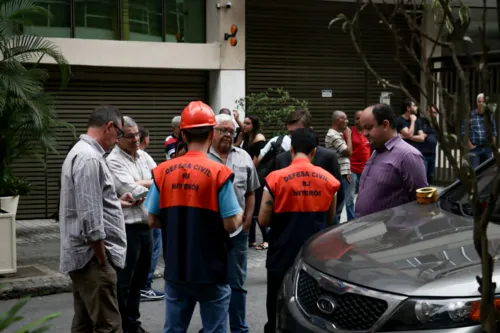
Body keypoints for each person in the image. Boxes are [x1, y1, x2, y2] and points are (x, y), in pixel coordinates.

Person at [144, 101, 243, 333]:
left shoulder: (162, 172)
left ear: (184, 134)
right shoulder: (220, 173)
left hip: (177, 268)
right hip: (212, 270)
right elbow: (230, 223)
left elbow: (152, 220)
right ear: (211, 133)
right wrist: (239, 216)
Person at [59, 105, 135, 333]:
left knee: (84, 324)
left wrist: (117, 201)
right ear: (109, 127)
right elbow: (90, 216)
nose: (117, 140)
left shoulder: (81, 153)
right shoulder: (89, 158)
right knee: (109, 325)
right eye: (119, 134)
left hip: (85, 256)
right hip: (93, 257)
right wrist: (102, 257)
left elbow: (89, 201)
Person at [258, 128, 340, 333]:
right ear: (314, 151)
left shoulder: (275, 178)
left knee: (276, 302)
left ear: (292, 149)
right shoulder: (329, 181)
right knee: (310, 307)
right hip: (313, 258)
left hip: (281, 253)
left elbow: (263, 218)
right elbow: (330, 218)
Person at [208, 114, 260, 333]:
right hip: (209, 234)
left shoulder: (244, 157)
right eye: (223, 130)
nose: (229, 135)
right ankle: (215, 327)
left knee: (237, 284)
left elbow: (251, 192)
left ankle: (239, 328)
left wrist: (248, 220)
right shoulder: (202, 158)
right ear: (212, 132)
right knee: (211, 283)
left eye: (232, 131)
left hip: (238, 233)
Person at [107, 116, 158, 333]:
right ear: (118, 138)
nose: (136, 139)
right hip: (127, 228)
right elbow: (135, 190)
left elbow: (163, 179)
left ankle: (133, 322)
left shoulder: (144, 156)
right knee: (125, 281)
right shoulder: (113, 161)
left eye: (138, 134)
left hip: (146, 225)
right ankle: (124, 325)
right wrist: (149, 184)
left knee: (139, 280)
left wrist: (147, 183)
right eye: (130, 136)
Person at [355, 104, 428, 218]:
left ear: (385, 125)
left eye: (368, 127)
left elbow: (424, 204)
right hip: (367, 231)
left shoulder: (408, 155)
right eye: (363, 128)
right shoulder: (377, 151)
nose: (364, 133)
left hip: (392, 233)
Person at [272, 109, 344, 223]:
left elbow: (338, 194)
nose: (293, 137)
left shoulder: (328, 157)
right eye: (290, 133)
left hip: (319, 228)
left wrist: (330, 222)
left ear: (310, 130)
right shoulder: (282, 159)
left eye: (297, 132)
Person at [239, 115, 268, 249]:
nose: (244, 125)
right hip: (249, 173)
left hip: (258, 174)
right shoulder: (246, 137)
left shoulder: (259, 138)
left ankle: (266, 239)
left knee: (256, 206)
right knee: (248, 204)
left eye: (247, 123)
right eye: (243, 123)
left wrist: (247, 174)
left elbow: (256, 160)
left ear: (254, 125)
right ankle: (251, 240)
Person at [325, 110, 352, 222]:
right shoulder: (332, 135)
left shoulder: (338, 134)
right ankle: (333, 232)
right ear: (338, 120)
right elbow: (348, 152)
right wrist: (349, 136)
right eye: (344, 118)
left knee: (342, 205)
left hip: (343, 173)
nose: (347, 121)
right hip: (338, 174)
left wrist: (348, 172)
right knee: (338, 207)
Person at [462, 93, 497, 168]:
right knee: (476, 173)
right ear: (476, 103)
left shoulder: (490, 116)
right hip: (475, 149)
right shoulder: (470, 115)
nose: (481, 103)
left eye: (483, 101)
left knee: (487, 173)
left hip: (487, 149)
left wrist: (492, 148)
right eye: (479, 101)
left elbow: (494, 132)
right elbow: (464, 132)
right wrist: (471, 146)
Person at [421, 106, 438, 184]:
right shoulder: (421, 122)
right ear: (427, 112)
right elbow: (421, 136)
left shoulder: (436, 124)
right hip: (423, 154)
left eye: (434, 112)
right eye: (430, 112)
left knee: (430, 177)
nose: (432, 114)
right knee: (423, 177)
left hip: (433, 154)